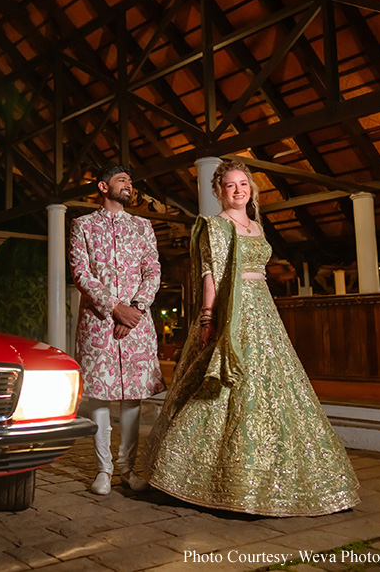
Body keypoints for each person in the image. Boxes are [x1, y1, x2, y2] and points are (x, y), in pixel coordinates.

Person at [141, 159, 360, 516]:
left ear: (252, 189)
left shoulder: (257, 226)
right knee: (226, 383)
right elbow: (211, 274)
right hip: (233, 311)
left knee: (276, 389)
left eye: (244, 184)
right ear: (219, 191)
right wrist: (209, 317)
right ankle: (197, 475)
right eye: (231, 185)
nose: (239, 190)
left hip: (264, 310)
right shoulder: (215, 226)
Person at [69, 163, 165, 495]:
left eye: (131, 181)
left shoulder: (142, 226)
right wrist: (114, 309)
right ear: (103, 186)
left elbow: (152, 269)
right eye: (122, 180)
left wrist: (137, 308)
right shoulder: (82, 226)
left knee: (132, 397)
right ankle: (103, 470)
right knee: (99, 397)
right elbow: (81, 273)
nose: (129, 185)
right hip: (99, 322)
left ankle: (127, 469)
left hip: (136, 322)